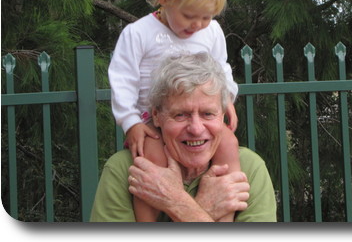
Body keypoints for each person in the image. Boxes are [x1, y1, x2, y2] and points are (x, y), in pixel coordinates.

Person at [107, 0, 240, 221]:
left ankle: (225, 217)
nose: (199, 24)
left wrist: (226, 99)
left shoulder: (211, 32)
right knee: (151, 164)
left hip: (197, 119)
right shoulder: (139, 33)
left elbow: (221, 69)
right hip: (152, 124)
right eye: (190, 15)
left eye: (207, 16)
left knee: (229, 144)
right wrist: (131, 122)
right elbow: (122, 79)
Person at [90, 53, 277, 222]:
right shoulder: (125, 170)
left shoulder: (250, 168)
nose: (196, 129)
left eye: (208, 114)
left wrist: (178, 204)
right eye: (180, 115)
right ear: (156, 116)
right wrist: (196, 209)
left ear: (222, 116)